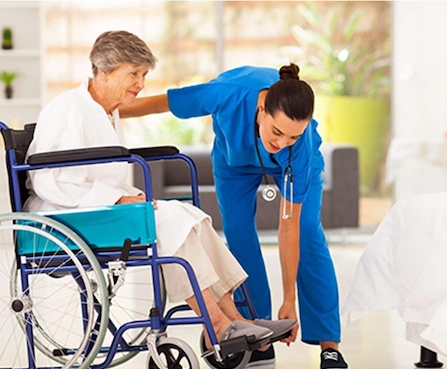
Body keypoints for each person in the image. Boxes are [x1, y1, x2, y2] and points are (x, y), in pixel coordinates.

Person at [23, 30, 296, 351]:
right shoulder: (69, 106)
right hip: (65, 215)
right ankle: (218, 326)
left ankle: (237, 317)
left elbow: (106, 174)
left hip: (100, 211)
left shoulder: (107, 114)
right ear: (104, 70)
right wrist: (118, 199)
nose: (140, 83)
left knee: (190, 216)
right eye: (133, 74)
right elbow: (50, 178)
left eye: (144, 74)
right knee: (168, 222)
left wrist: (127, 198)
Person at [120, 63, 349, 369]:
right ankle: (257, 337)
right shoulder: (227, 93)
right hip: (235, 163)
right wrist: (108, 111)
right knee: (239, 237)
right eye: (277, 131)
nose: (281, 142)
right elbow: (163, 103)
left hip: (292, 168)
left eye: (292, 136)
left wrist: (289, 300)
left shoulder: (299, 147)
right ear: (261, 109)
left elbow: (288, 227)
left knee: (307, 232)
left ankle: (329, 346)